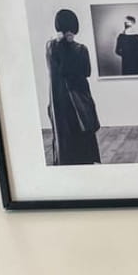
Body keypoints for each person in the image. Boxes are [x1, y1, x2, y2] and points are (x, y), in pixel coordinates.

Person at [46, 9, 101, 165]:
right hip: (79, 97)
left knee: (64, 135)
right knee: (83, 133)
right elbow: (87, 72)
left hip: (59, 99)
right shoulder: (81, 49)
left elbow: (57, 71)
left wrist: (59, 43)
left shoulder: (51, 47)